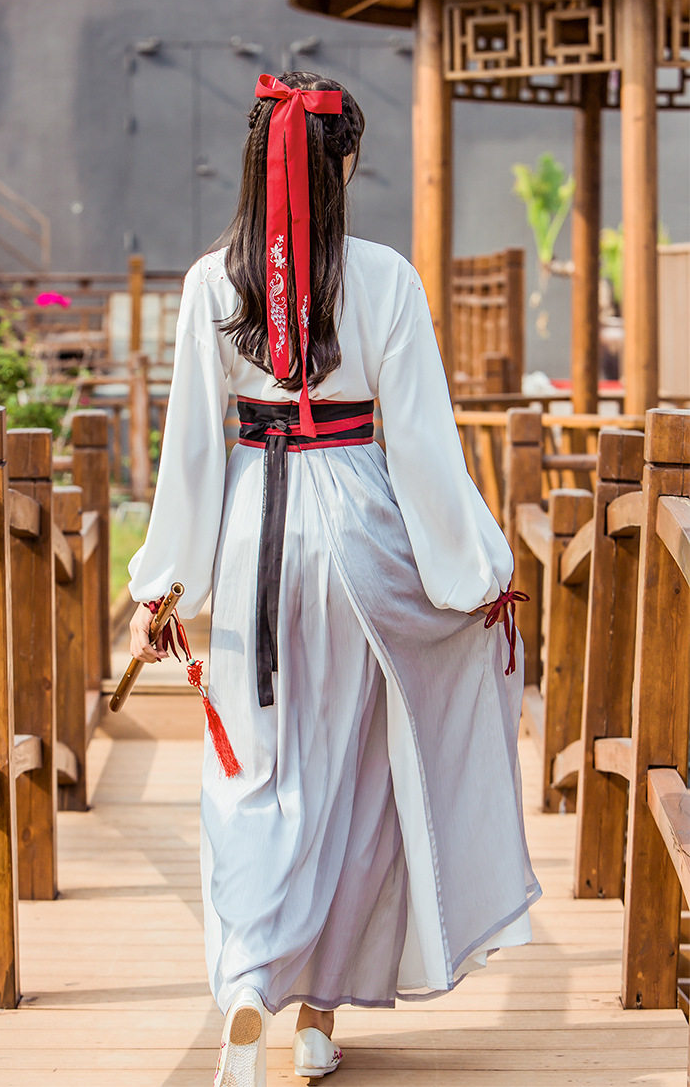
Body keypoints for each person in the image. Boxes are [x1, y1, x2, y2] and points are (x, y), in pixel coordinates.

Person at [127, 71, 542, 1087]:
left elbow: (187, 451)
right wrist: (477, 571)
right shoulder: (386, 280)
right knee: (359, 782)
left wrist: (161, 589)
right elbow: (429, 455)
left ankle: (248, 985)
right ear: (341, 166)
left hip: (251, 530)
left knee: (255, 772)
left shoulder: (208, 286)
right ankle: (315, 1016)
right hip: (361, 530)